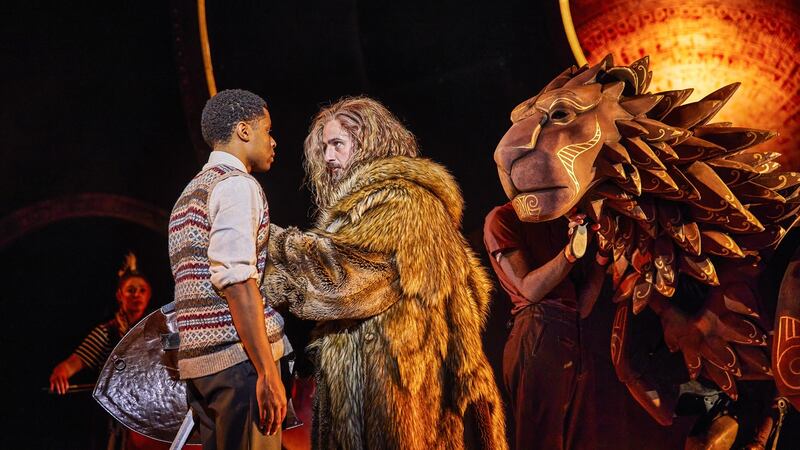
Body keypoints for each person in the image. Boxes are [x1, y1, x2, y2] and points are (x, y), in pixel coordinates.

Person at [263, 96, 507, 449]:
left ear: (369, 142)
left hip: (395, 391)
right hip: (400, 384)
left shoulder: (398, 202)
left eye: (337, 144)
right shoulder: (401, 201)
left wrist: (265, 240)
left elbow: (344, 281)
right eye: (324, 148)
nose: (328, 157)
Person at [168, 89, 291, 450]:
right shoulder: (236, 185)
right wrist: (266, 371)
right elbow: (237, 282)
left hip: (204, 370)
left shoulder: (191, 192)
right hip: (239, 362)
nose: (273, 141)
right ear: (243, 130)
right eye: (267, 130)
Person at [483, 204, 608, 450]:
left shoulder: (559, 221)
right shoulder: (503, 217)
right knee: (543, 442)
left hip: (573, 332)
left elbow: (582, 306)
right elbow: (529, 289)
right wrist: (570, 253)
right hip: (539, 330)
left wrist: (602, 255)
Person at [49, 252, 154, 450]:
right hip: (115, 421)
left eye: (142, 290)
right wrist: (60, 372)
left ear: (148, 295)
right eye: (131, 290)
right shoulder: (107, 332)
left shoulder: (154, 332)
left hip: (147, 417)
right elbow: (71, 364)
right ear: (120, 295)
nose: (137, 295)